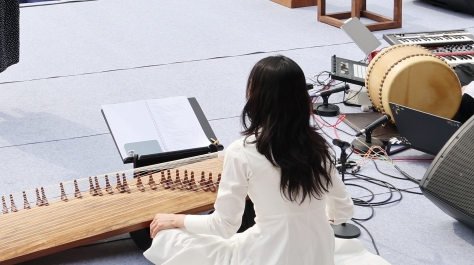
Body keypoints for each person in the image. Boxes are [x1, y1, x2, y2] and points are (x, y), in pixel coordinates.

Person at [146, 56, 360, 265]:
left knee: (169, 237)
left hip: (266, 256)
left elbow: (224, 226)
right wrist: (305, 219)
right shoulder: (320, 147)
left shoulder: (242, 151)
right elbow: (343, 211)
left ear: (255, 96)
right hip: (319, 256)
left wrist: (176, 219)